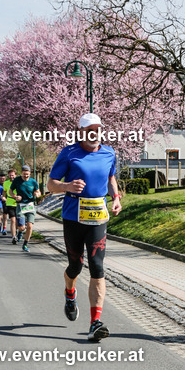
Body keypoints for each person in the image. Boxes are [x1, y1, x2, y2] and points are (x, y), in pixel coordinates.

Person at [46, 113, 121, 342]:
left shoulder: (109, 152)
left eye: (97, 129)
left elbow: (110, 178)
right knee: (75, 266)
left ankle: (95, 323)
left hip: (98, 217)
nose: (94, 133)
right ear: (80, 132)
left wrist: (116, 197)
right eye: (89, 129)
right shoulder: (69, 153)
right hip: (73, 217)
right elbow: (51, 185)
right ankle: (70, 293)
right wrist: (67, 185)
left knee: (97, 266)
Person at [10, 165, 42, 252]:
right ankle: (20, 232)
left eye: (27, 174)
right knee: (22, 227)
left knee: (30, 226)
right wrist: (15, 196)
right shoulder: (17, 180)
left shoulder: (33, 181)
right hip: (21, 206)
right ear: (21, 173)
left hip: (30, 205)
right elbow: (10, 190)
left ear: (30, 173)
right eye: (24, 174)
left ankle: (25, 244)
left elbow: (38, 191)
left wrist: (37, 194)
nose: (26, 176)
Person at [3, 169, 20, 243]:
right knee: (13, 220)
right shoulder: (6, 183)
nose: (11, 176)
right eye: (10, 175)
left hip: (19, 203)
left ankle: (16, 231)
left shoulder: (19, 182)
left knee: (17, 221)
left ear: (15, 175)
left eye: (12, 175)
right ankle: (13, 236)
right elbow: (4, 191)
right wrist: (3, 197)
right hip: (9, 203)